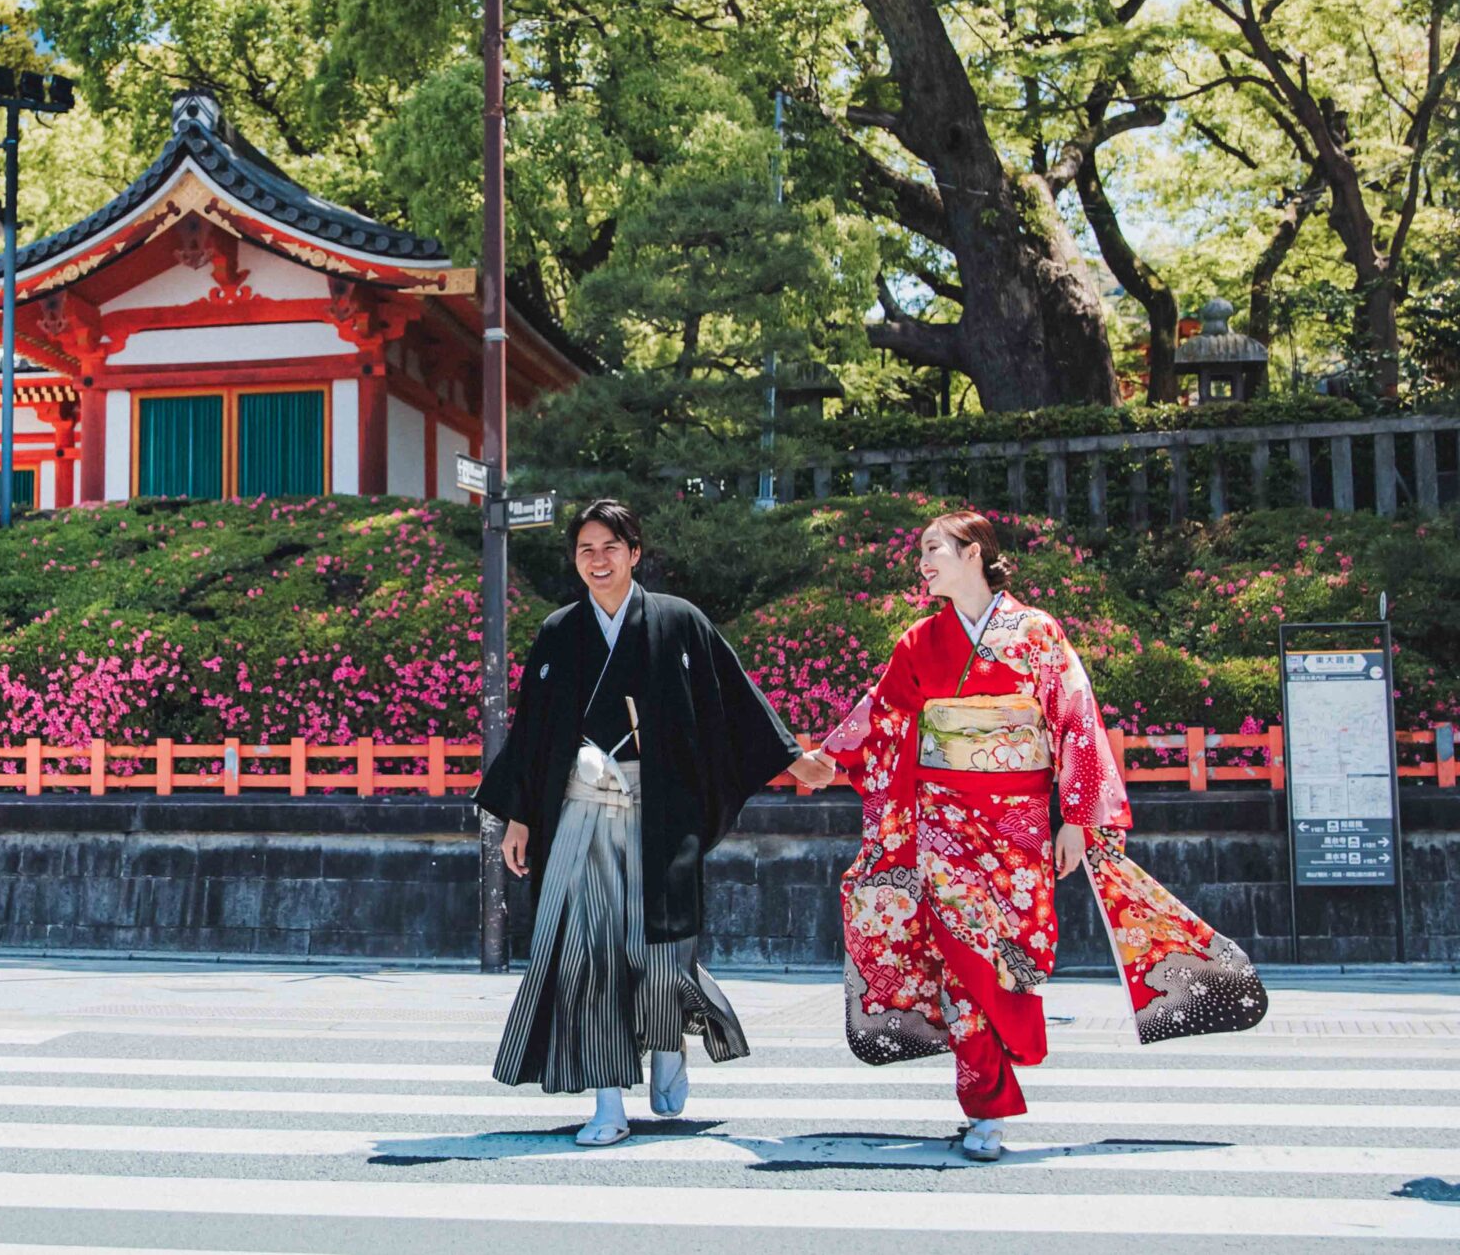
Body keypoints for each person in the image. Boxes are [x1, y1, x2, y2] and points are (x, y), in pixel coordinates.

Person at [821, 511, 1267, 1162]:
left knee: (1011, 958)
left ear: (973, 553)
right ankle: (987, 1108)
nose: (922, 560)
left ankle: (998, 1067)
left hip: (1019, 823)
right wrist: (824, 761)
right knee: (959, 958)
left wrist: (1078, 817)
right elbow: (880, 719)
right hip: (943, 822)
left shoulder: (1037, 632)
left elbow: (1075, 719)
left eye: (933, 548)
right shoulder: (920, 642)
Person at [477, 498, 831, 1147]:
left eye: (611, 546)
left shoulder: (678, 620)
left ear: (634, 552)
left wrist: (791, 757)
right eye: (585, 549)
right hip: (581, 812)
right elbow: (531, 734)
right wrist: (518, 815)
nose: (598, 559)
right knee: (588, 956)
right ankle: (607, 1100)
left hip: (660, 809)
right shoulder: (560, 631)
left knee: (664, 951)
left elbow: (735, 697)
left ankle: (669, 1041)